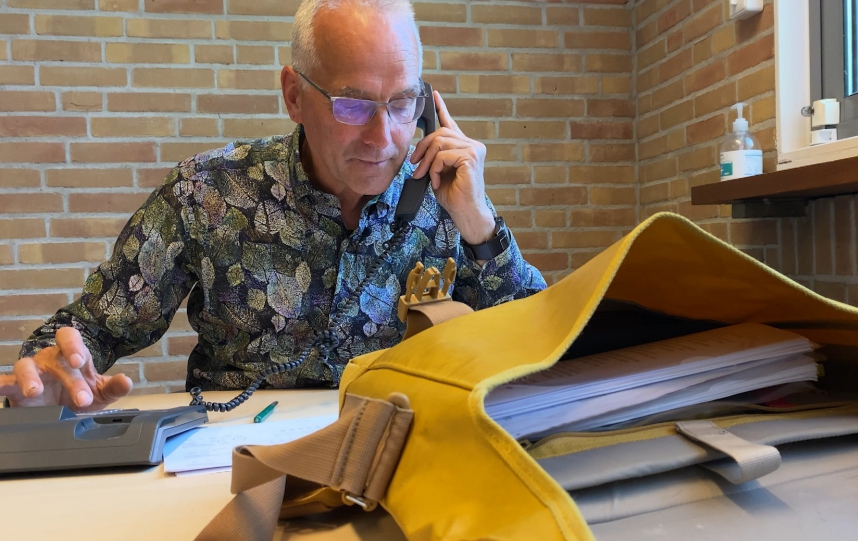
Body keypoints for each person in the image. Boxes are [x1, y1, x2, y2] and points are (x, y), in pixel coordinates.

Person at [0, 0, 546, 411]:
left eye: (402, 103)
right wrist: (55, 372)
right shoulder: (207, 192)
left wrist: (478, 224)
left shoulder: (446, 192)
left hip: (393, 451)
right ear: (293, 96)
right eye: (353, 105)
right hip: (231, 459)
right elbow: (91, 329)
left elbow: (540, 342)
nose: (384, 138)